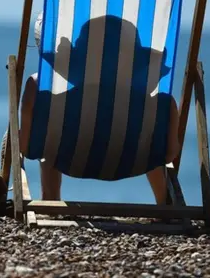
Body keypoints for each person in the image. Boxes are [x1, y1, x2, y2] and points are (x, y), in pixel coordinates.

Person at [19, 12, 181, 205]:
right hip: (134, 162)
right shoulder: (162, 107)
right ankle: (164, 204)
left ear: (79, 59)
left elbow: (27, 147)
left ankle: (51, 200)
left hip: (71, 160)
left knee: (50, 131)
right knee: (146, 132)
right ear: (135, 61)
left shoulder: (50, 102)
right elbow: (169, 154)